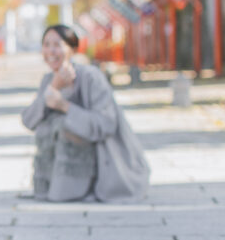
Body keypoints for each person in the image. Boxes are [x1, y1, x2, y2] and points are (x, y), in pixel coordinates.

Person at [21, 24, 150, 202]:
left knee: (65, 124)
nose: (51, 51)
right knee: (48, 126)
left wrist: (64, 106)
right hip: (58, 178)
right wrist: (53, 87)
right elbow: (29, 121)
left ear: (73, 49)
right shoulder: (49, 79)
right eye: (46, 44)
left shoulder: (90, 77)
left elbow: (106, 124)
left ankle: (77, 188)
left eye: (57, 45)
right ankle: (56, 186)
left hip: (103, 164)